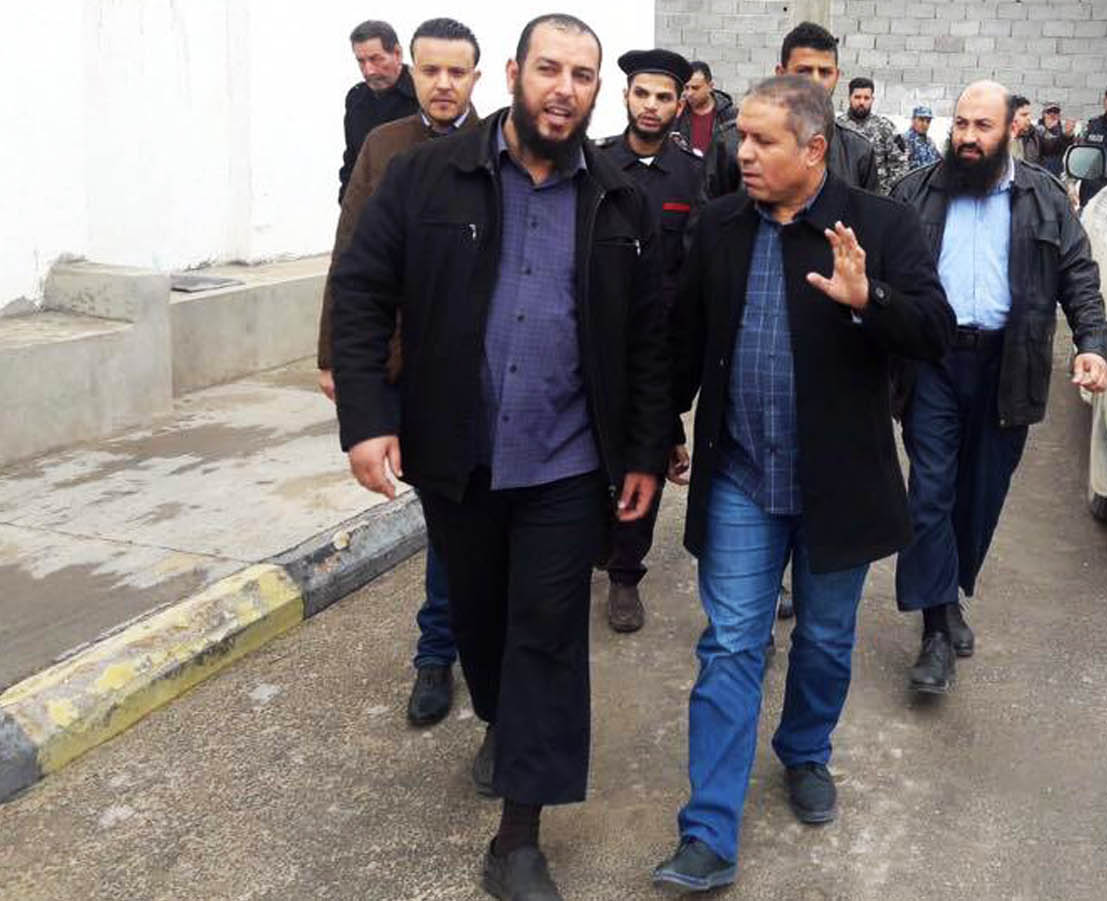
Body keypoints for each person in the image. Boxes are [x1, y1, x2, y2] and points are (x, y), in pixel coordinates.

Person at [330, 14, 672, 900]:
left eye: (583, 76)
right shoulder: (426, 176)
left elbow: (647, 337)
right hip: (461, 455)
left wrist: (646, 446)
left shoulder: (619, 199)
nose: (565, 89)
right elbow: (362, 290)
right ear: (515, 73)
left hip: (566, 462)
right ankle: (497, 716)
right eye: (550, 69)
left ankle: (518, 837)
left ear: (596, 91)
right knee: (479, 624)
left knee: (548, 635)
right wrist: (366, 417)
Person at [651, 75, 953, 893]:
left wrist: (869, 298)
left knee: (823, 637)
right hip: (741, 475)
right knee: (730, 643)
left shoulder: (879, 225)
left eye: (762, 141)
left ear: (814, 149)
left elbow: (934, 330)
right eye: (739, 138)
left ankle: (806, 750)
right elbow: (684, 339)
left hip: (838, 481)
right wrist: (660, 427)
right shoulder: (720, 225)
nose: (742, 153)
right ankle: (708, 829)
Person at [889, 81, 1107, 695]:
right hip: (932, 361)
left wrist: (1092, 344)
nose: (966, 137)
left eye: (981, 126)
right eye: (961, 124)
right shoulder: (914, 192)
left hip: (1009, 365)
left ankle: (950, 593)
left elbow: (1078, 274)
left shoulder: (1044, 196)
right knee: (930, 492)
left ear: (1012, 128)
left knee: (980, 495)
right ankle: (936, 628)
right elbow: (883, 275)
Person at [317, 16, 483, 729]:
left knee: (472, 521)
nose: (442, 84)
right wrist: (337, 359)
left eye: (456, 71)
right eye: (430, 70)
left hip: (477, 371)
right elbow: (350, 255)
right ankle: (435, 654)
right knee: (442, 519)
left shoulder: (499, 146)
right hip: (404, 366)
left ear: (477, 77)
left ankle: (480, 655)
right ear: (413, 71)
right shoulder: (385, 147)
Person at [594, 47, 705, 633]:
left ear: (679, 104)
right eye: (643, 93)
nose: (652, 106)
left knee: (648, 453)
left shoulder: (693, 174)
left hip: (659, 347)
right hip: (596, 339)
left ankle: (624, 573)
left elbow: (698, 267)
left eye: (664, 97)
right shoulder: (594, 164)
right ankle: (588, 545)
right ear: (626, 97)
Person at [702, 22, 877, 198]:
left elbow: (868, 213)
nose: (815, 82)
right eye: (804, 71)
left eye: (825, 72)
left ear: (837, 76)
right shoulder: (730, 144)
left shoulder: (858, 153)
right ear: (781, 74)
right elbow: (709, 212)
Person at [340, 20, 416, 202]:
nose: (369, 71)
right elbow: (352, 160)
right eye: (361, 61)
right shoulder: (356, 99)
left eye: (375, 59)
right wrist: (346, 202)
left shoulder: (423, 95)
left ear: (397, 53)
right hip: (368, 210)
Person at [837, 76, 905, 192]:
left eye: (866, 98)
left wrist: (887, 194)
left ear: (872, 100)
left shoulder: (885, 127)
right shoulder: (838, 127)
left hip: (876, 196)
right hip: (844, 194)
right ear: (849, 98)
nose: (861, 102)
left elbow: (899, 165)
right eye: (857, 97)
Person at [671, 61, 737, 156]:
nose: (689, 93)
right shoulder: (677, 113)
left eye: (695, 88)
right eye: (686, 88)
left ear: (710, 87)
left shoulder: (729, 115)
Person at [1035, 101, 1074, 177]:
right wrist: (1064, 135)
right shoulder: (1038, 130)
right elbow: (1048, 145)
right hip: (1042, 173)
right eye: (1049, 112)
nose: (1052, 115)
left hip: (1058, 172)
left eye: (1055, 112)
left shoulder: (1063, 130)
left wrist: (1069, 135)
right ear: (1043, 114)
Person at [903, 105, 941, 170]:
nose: (925, 124)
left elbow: (938, 163)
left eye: (928, 121)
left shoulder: (930, 143)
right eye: (921, 120)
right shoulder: (904, 141)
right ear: (913, 120)